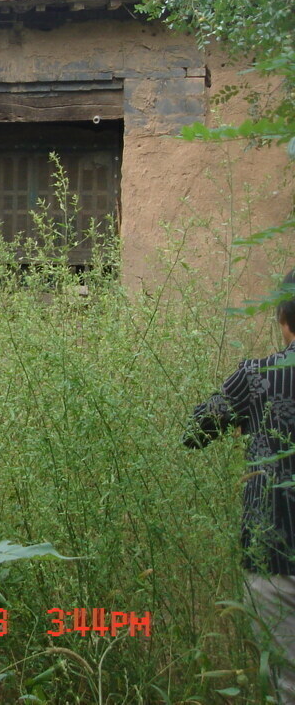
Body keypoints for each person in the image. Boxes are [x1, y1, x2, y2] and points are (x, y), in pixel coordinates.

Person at [185, 270, 295, 703]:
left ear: (283, 319)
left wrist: (243, 420)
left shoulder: (256, 377)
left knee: (287, 684)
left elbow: (195, 431)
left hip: (272, 553)